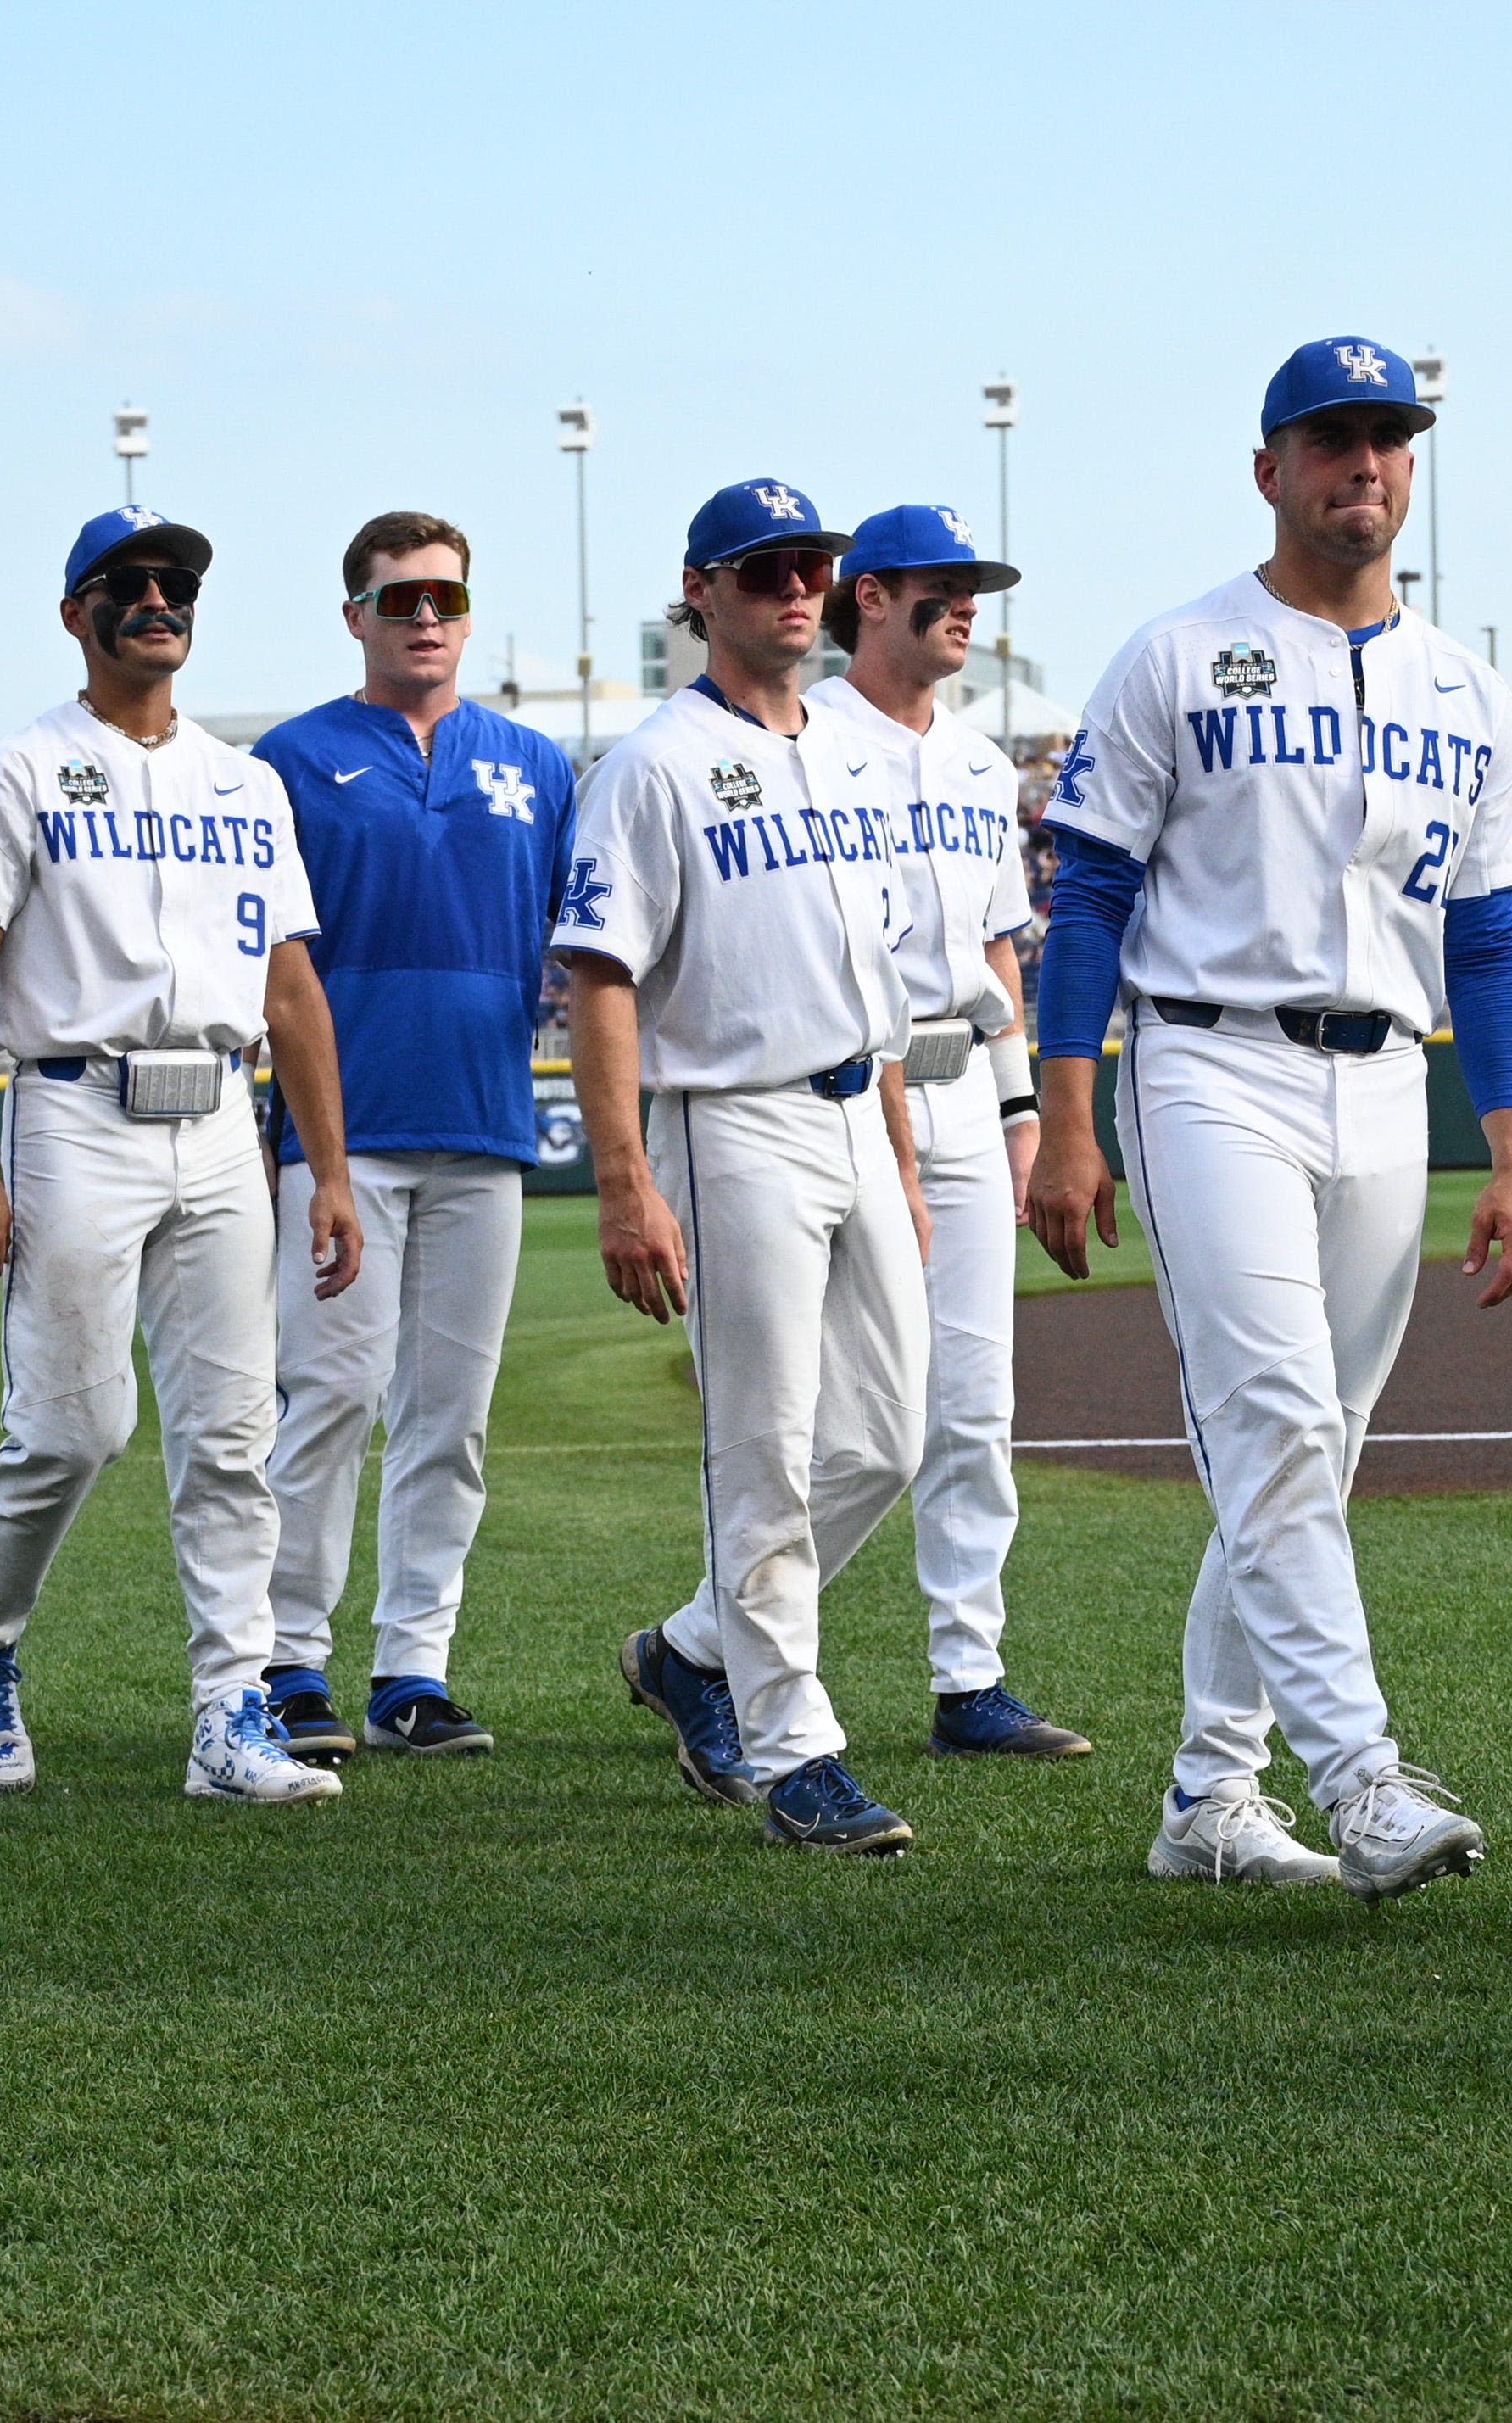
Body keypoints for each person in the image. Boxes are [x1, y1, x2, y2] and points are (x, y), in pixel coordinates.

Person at [1029, 340, 1512, 1900]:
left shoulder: (1464, 688)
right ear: (1268, 467)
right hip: (1206, 1061)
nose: (1362, 465)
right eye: (1331, 439)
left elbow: (1489, 938)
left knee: (1310, 1456)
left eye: (1387, 439)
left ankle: (1205, 1792)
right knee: (1268, 1423)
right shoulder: (1178, 654)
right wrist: (1063, 1116)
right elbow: (1088, 897)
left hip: (1386, 1077)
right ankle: (1357, 1774)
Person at [0, 505, 363, 1806]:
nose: (158, 599)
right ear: (77, 613)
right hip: (75, 1106)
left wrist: (324, 1169)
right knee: (72, 1429)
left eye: (176, 582)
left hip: (223, 1116)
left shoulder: (245, 781)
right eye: (129, 583)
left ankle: (231, 1714)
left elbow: (290, 991)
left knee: (232, 1434)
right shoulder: (16, 769)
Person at [572, 478, 930, 1856]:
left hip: (851, 1111)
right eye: (762, 565)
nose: (795, 585)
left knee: (888, 1436)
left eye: (810, 564)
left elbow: (877, 977)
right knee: (763, 1450)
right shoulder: (652, 763)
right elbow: (599, 975)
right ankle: (792, 1750)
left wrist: (895, 1152)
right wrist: (623, 1178)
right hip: (732, 1122)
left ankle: (688, 1648)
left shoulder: (845, 750)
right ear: (700, 591)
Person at [247, 510, 577, 1760]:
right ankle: (284, 1659)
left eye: (443, 597)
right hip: (345, 1140)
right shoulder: (286, 758)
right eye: (399, 601)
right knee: (330, 1394)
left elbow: (575, 945)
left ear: (468, 613)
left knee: (452, 1413)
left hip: (485, 1129)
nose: (424, 618)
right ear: (355, 619)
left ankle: (413, 1670)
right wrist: (314, 1155)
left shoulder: (536, 764)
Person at [806, 505, 1091, 1761]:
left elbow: (993, 949)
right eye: (942, 584)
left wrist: (1022, 1108)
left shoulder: (982, 763)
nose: (966, 603)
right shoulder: (808, 741)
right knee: (835, 1415)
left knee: (972, 1401)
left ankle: (967, 1676)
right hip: (843, 1087)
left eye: (975, 585)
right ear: (867, 596)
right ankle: (732, 1649)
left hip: (966, 1083)